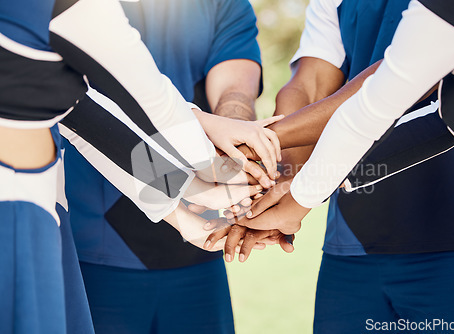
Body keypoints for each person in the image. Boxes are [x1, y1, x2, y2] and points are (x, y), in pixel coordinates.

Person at [206, 0, 454, 333]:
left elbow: (385, 94)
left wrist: (259, 147)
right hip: (351, 246)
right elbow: (309, 86)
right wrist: (284, 184)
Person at [0, 0, 282, 332]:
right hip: (18, 213)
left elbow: (82, 115)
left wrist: (182, 203)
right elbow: (147, 97)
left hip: (42, 209)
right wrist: (213, 172)